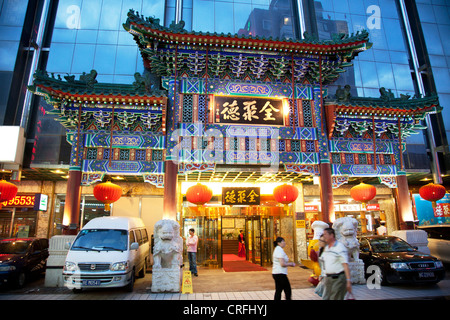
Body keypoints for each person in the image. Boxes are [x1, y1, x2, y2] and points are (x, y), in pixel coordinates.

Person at [321, 228, 352, 300]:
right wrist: (322, 274)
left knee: (335, 297)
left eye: (325, 234)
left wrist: (348, 281)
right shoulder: (327, 248)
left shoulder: (339, 247)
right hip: (328, 278)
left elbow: (345, 264)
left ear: (331, 235)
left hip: (338, 278)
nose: (324, 236)